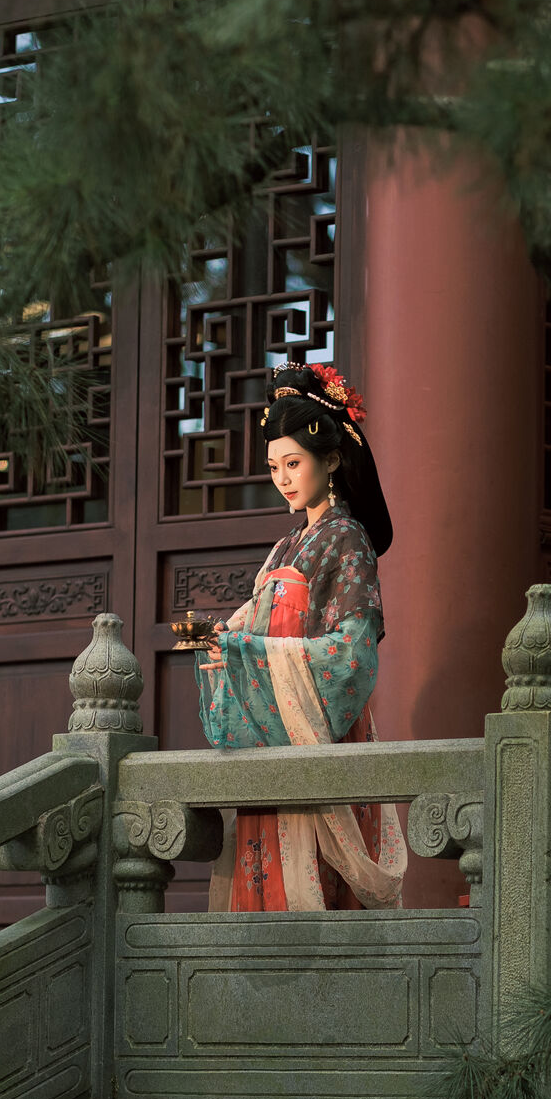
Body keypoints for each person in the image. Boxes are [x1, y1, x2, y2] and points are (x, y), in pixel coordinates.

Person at [196, 361, 407, 913]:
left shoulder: (348, 540)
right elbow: (253, 627)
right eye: (274, 467)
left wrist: (252, 651)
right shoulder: (286, 547)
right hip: (275, 735)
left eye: (294, 463)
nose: (283, 479)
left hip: (320, 735)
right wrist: (224, 644)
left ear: (331, 460)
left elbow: (352, 653)